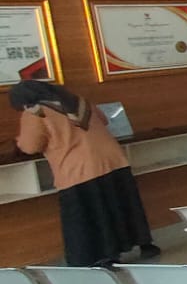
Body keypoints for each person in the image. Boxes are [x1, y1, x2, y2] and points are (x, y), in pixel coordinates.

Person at [10, 82, 160, 266]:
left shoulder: (35, 113)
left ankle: (105, 256)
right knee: (122, 206)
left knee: (92, 214)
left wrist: (18, 141)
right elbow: (104, 120)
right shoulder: (78, 102)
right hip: (113, 161)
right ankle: (146, 245)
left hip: (78, 171)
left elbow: (30, 146)